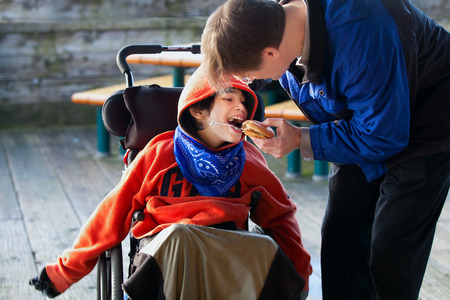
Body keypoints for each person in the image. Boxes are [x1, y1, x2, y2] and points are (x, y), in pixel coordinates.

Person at [201, 0, 450, 299]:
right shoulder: (276, 24)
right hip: (359, 119)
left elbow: (383, 136)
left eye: (249, 75)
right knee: (340, 239)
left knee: (390, 253)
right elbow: (251, 61)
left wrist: (300, 139)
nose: (251, 82)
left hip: (426, 124)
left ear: (270, 53)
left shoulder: (359, 39)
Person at [29, 65, 312, 299]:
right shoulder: (159, 154)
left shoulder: (248, 160)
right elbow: (110, 215)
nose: (241, 107)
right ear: (197, 111)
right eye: (229, 99)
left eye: (244, 102)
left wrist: (301, 279)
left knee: (266, 247)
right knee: (181, 237)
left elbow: (281, 218)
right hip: (166, 253)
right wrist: (62, 273)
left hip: (227, 255)